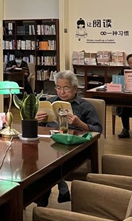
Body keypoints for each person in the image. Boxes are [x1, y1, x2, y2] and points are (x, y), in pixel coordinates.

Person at [35, 70, 102, 205]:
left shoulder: (85, 106)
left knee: (49, 164)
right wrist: (36, 120)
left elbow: (98, 130)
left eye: (66, 88)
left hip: (73, 145)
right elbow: (40, 127)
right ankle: (61, 186)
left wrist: (79, 124)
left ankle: (42, 200)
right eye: (58, 88)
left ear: (75, 88)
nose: (62, 92)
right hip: (50, 142)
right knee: (41, 159)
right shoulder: (50, 102)